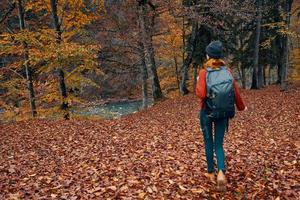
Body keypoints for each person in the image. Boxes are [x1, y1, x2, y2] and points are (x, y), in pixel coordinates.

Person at [196, 40, 247, 192]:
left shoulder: (204, 73)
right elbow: (235, 92)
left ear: (208, 56)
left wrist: (198, 81)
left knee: (208, 142)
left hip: (206, 112)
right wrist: (241, 107)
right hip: (223, 112)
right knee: (219, 144)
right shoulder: (227, 71)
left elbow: (201, 94)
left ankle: (210, 172)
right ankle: (221, 173)